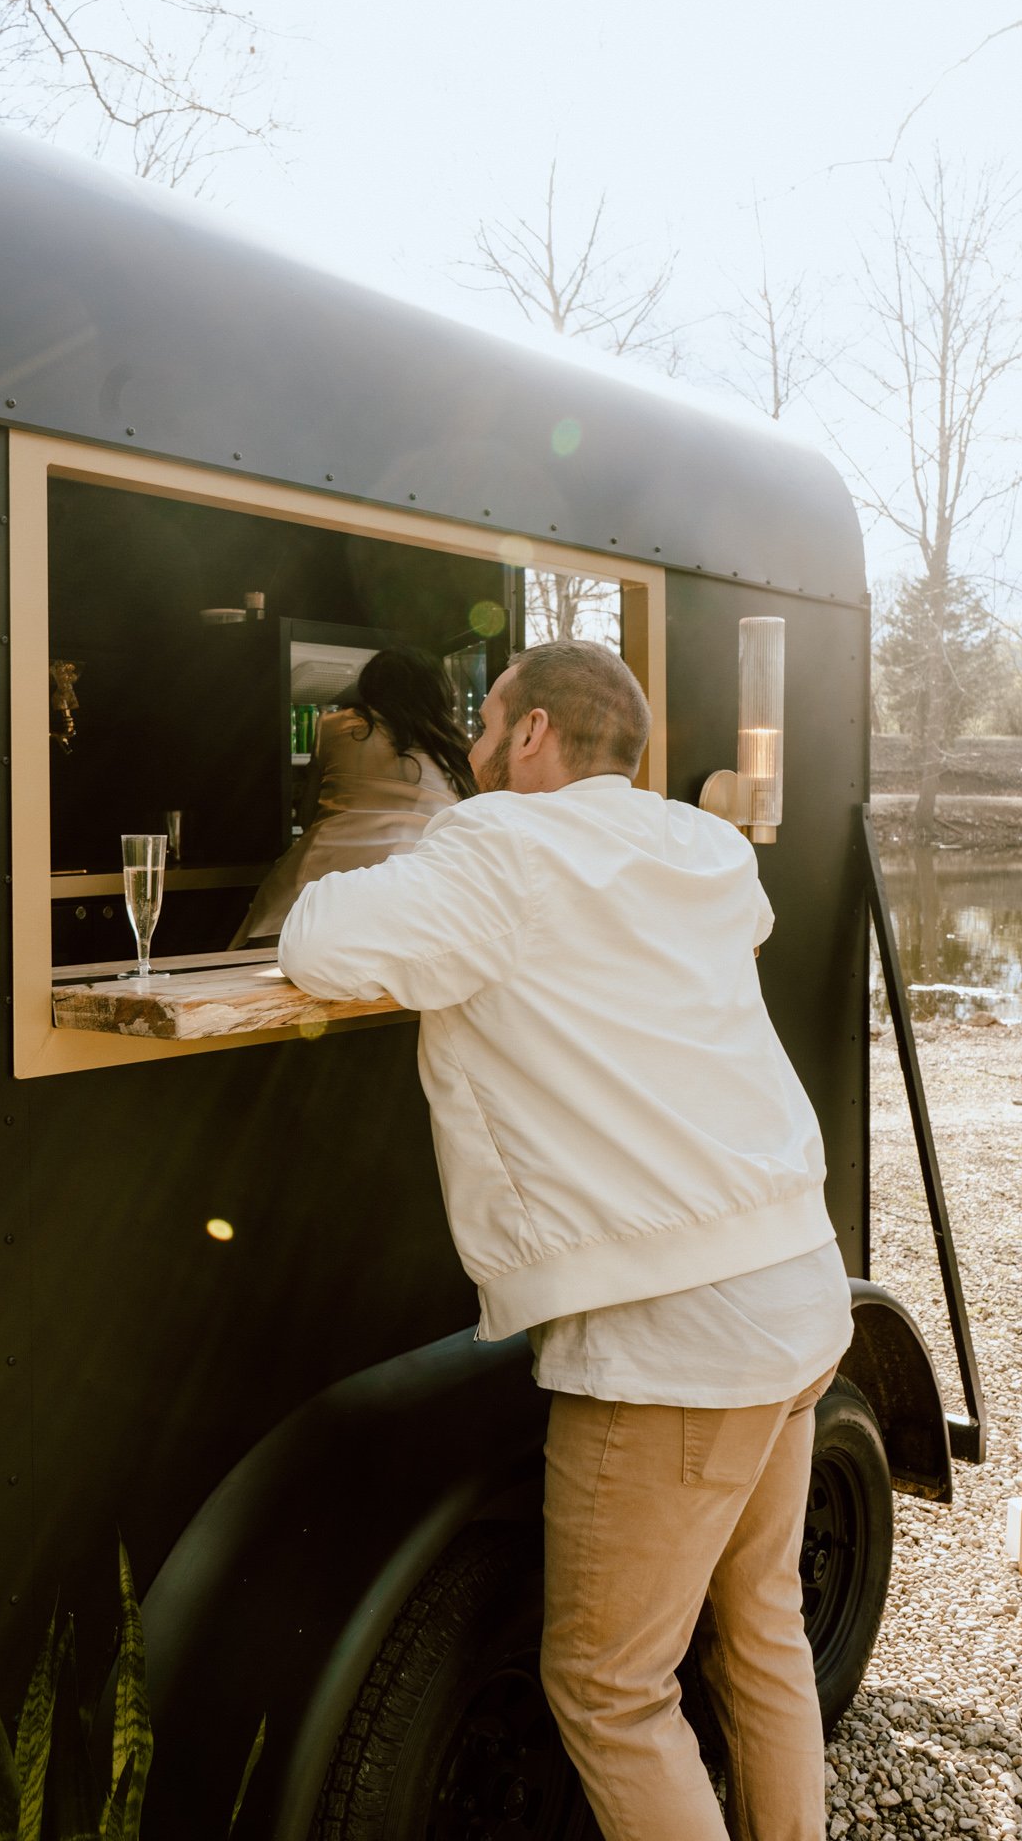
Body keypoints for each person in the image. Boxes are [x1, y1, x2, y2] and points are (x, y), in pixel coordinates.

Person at [278, 639, 854, 1841]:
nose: (473, 744)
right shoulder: (704, 845)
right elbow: (722, 929)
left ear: (532, 731)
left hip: (677, 1336)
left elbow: (315, 939)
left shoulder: (498, 845)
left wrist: (378, 842)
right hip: (799, 1283)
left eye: (487, 720)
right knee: (762, 1628)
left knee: (609, 1686)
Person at [232, 643, 474, 945]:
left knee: (268, 967)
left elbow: (307, 816)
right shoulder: (455, 750)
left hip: (313, 886)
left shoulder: (335, 726)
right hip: (406, 898)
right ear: (439, 691)